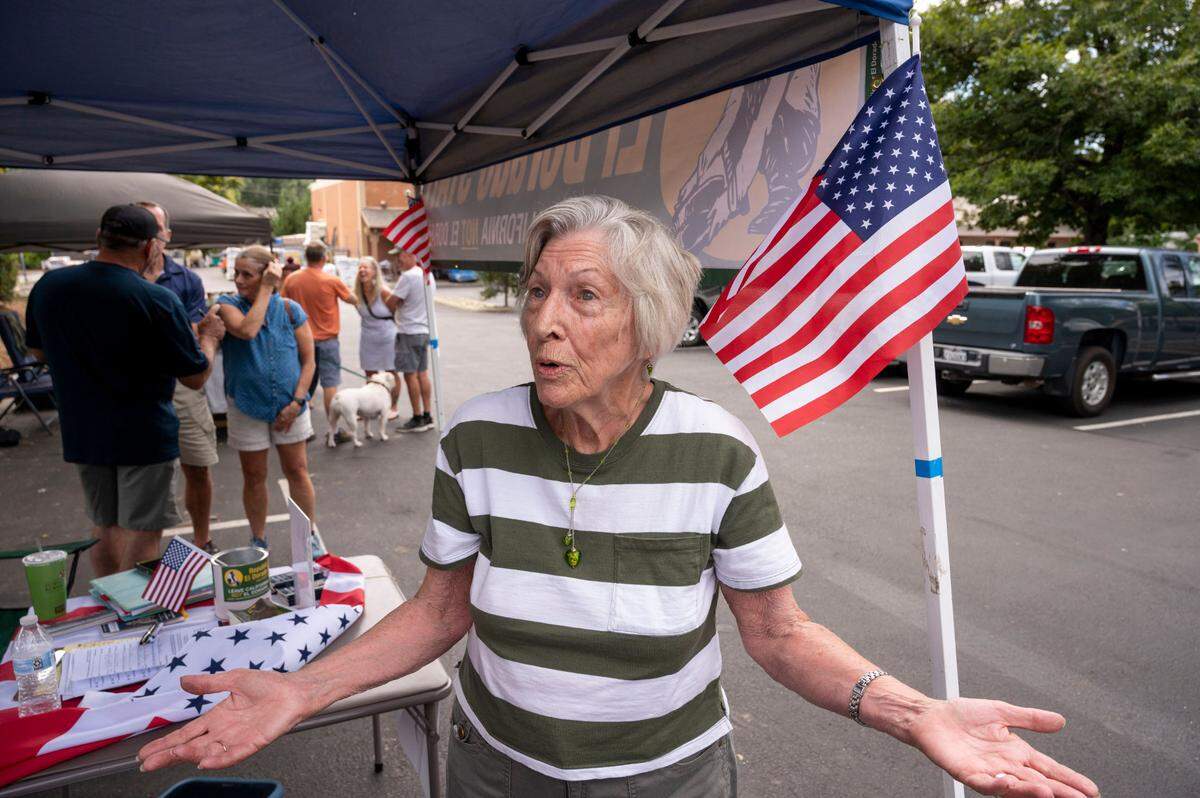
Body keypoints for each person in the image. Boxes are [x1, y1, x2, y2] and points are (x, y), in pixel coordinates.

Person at [138, 197, 1098, 798]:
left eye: (584, 297)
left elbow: (777, 633)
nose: (544, 322)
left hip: (664, 778)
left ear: (649, 324)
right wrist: (299, 693)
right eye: (536, 292)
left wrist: (909, 709)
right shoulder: (475, 436)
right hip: (493, 769)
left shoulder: (717, 451)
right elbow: (440, 609)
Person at [24, 205, 223, 577]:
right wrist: (210, 338)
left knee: (104, 526)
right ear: (150, 248)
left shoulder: (50, 287)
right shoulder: (156, 300)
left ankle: (107, 618)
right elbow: (195, 377)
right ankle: (134, 618)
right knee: (144, 532)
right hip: (144, 434)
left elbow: (37, 350)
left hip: (83, 429)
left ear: (99, 238)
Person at [214, 246, 319, 554]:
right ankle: (258, 539)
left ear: (264, 274)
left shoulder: (289, 309)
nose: (238, 280)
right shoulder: (226, 305)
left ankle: (306, 535)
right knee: (254, 475)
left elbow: (309, 360)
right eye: (236, 273)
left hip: (291, 405)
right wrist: (266, 289)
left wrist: (298, 402)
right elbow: (247, 330)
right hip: (247, 406)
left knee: (297, 470)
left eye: (247, 274)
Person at [137, 201, 220, 554]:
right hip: (136, 390)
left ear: (167, 236)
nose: (149, 239)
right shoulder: (117, 276)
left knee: (197, 467)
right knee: (145, 477)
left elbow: (188, 338)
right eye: (141, 230)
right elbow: (186, 335)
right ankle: (147, 552)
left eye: (154, 230)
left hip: (183, 387)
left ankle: (202, 540)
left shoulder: (186, 280)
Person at [280, 243, 355, 428]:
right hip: (327, 340)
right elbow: (353, 299)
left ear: (306, 257)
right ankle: (333, 430)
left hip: (299, 340)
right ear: (324, 258)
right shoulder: (331, 280)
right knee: (330, 384)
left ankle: (302, 427)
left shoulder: (292, 279)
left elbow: (281, 303)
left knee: (301, 382)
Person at [384, 248, 433, 432]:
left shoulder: (408, 276)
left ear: (413, 255)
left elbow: (390, 302)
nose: (399, 260)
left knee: (410, 375)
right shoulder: (427, 275)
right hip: (424, 329)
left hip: (408, 331)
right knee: (422, 373)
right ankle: (427, 415)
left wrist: (399, 304)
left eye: (402, 255)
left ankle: (417, 416)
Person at [352, 256, 401, 418]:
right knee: (370, 373)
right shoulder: (356, 294)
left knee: (391, 373)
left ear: (374, 272)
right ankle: (370, 407)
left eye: (366, 267)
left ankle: (393, 407)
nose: (362, 270)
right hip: (367, 337)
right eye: (360, 267)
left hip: (387, 336)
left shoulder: (384, 291)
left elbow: (397, 313)